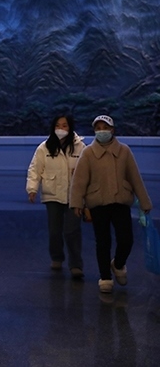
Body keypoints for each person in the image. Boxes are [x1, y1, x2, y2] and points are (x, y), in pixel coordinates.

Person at [70, 115, 152, 294]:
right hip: (97, 202)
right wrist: (77, 203)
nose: (102, 131)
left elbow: (135, 178)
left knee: (126, 239)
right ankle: (105, 277)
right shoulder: (88, 153)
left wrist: (145, 202)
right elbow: (79, 180)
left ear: (112, 130)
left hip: (120, 201)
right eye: (98, 128)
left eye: (105, 128)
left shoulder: (124, 151)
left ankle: (118, 264)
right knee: (103, 241)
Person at [26, 114, 86, 279]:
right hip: (52, 194)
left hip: (74, 196)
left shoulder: (80, 147)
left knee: (72, 231)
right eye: (58, 125)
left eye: (64, 125)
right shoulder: (44, 147)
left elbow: (87, 171)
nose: (61, 129)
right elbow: (35, 169)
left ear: (70, 127)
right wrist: (32, 189)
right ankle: (57, 258)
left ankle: (76, 265)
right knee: (54, 231)